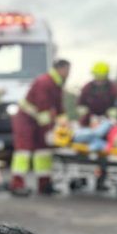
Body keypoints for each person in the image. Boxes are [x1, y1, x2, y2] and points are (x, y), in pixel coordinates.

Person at [10, 59, 70, 196]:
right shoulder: (45, 82)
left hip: (38, 121)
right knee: (23, 152)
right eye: (67, 70)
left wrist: (64, 124)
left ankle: (44, 184)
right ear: (60, 69)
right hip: (26, 120)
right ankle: (17, 184)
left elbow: (59, 107)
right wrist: (49, 131)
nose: (68, 74)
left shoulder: (56, 83)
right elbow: (43, 109)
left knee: (43, 152)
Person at [76, 61, 117, 126]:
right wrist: (83, 111)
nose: (99, 81)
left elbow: (115, 104)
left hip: (107, 120)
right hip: (88, 120)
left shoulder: (112, 88)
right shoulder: (87, 87)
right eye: (97, 77)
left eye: (102, 77)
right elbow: (80, 103)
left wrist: (113, 113)